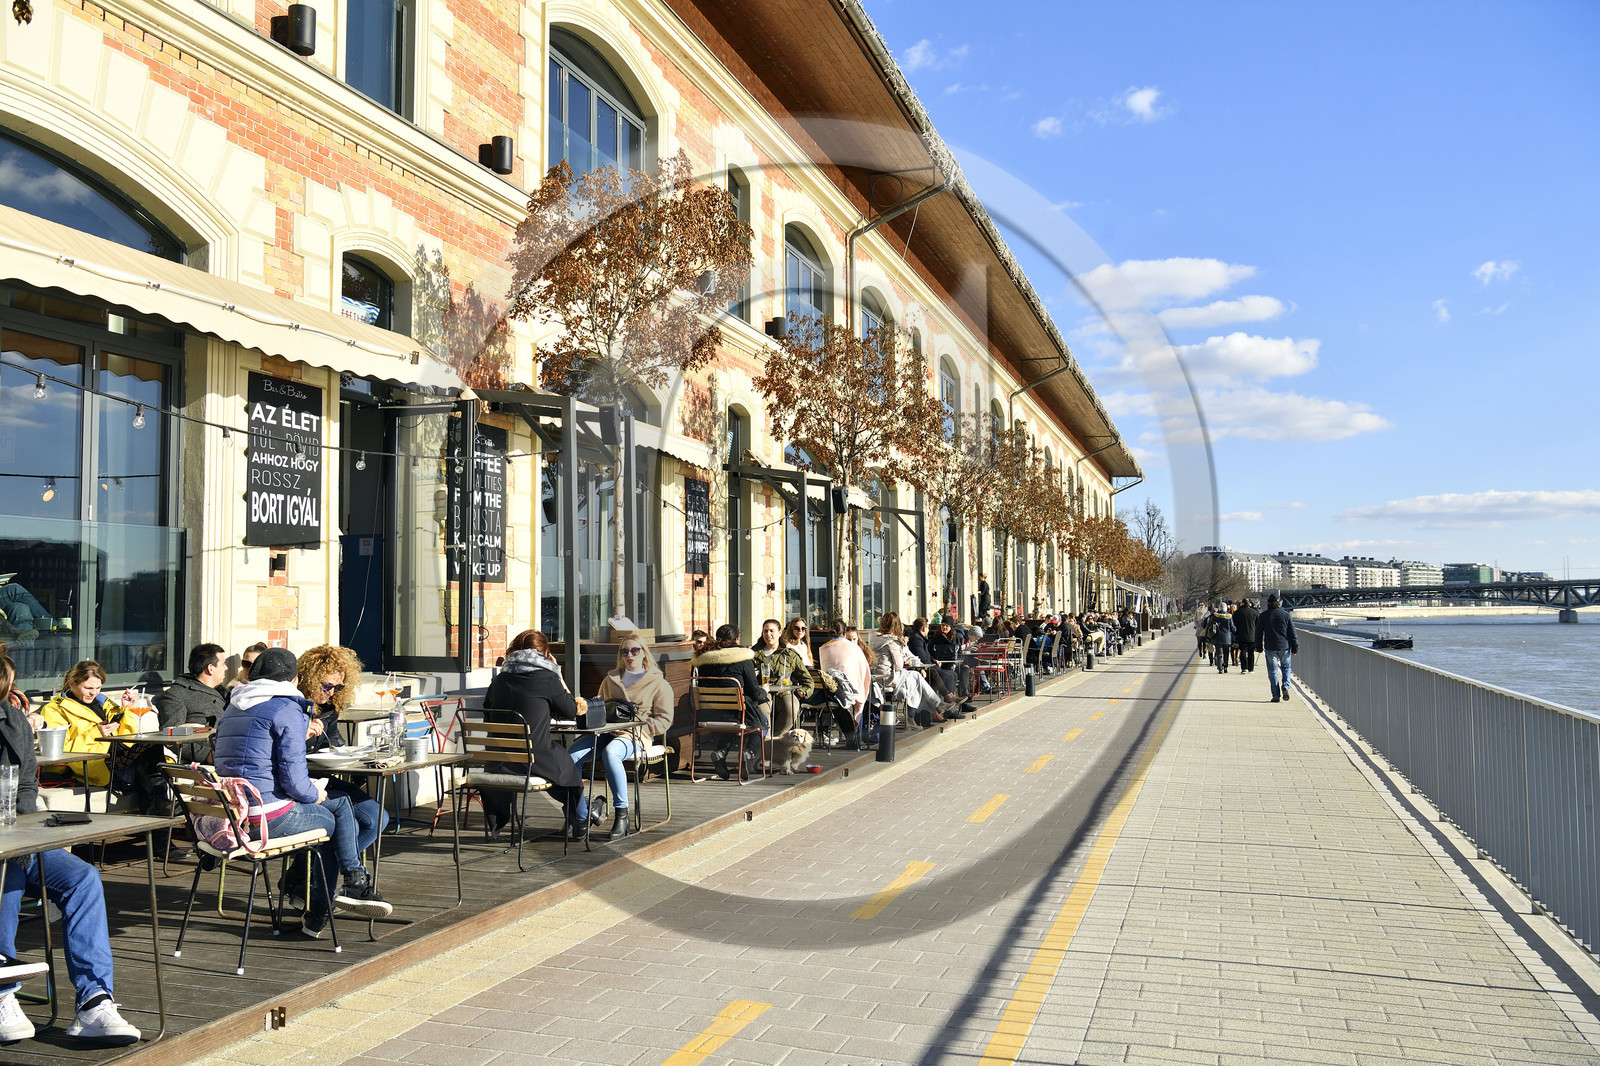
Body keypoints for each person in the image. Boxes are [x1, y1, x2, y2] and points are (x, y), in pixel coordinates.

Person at [0, 648, 143, 1046]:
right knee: (6, 873)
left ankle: (94, 1002)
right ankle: (1, 992)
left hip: (15, 835)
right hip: (5, 852)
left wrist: (24, 831)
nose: (10, 690)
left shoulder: (10, 717)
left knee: (82, 877)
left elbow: (27, 781)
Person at [213, 647, 392, 937]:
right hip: (267, 817)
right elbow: (296, 783)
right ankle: (335, 900)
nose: (333, 691)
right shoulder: (287, 708)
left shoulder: (233, 707)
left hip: (235, 815)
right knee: (337, 813)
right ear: (296, 679)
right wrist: (316, 795)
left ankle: (334, 890)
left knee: (350, 812)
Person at [281, 646, 387, 906]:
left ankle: (300, 874)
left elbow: (334, 744)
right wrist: (303, 732)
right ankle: (325, 884)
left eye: (337, 688)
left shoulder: (328, 708)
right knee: (343, 820)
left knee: (377, 817)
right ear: (308, 676)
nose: (330, 693)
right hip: (298, 783)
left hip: (324, 778)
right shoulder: (288, 706)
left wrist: (348, 752)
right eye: (327, 686)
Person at [479, 630, 586, 836]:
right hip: (532, 759)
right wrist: (557, 673)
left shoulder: (499, 680)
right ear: (545, 653)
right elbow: (572, 711)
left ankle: (585, 813)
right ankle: (582, 819)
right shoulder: (547, 678)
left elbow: (488, 717)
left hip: (498, 762)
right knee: (566, 770)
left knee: (555, 770)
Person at [583, 636, 673, 840]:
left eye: (634, 650)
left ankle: (622, 815)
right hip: (606, 731)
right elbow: (600, 705)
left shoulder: (658, 683)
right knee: (571, 755)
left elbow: (664, 720)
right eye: (624, 652)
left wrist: (642, 728)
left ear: (644, 652)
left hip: (636, 734)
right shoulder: (611, 679)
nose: (629, 655)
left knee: (611, 752)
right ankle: (581, 812)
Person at [39, 661, 150, 791]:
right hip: (92, 762)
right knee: (149, 751)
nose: (94, 693)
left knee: (150, 747)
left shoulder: (105, 703)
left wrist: (126, 710)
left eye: (98, 688)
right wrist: (96, 733)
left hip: (116, 756)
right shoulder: (55, 710)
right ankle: (157, 802)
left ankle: (156, 801)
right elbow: (59, 750)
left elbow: (127, 737)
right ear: (72, 684)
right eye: (88, 688)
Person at [690, 625, 771, 778]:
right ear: (736, 640)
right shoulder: (743, 659)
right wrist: (764, 691)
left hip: (710, 715)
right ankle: (749, 753)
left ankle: (720, 753)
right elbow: (754, 693)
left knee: (732, 721)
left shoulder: (704, 661)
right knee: (763, 723)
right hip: (737, 713)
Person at [869, 613, 961, 726]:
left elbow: (908, 656)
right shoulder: (892, 641)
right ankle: (936, 705)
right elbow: (898, 665)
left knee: (916, 678)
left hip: (878, 676)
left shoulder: (875, 638)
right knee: (916, 678)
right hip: (889, 677)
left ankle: (937, 705)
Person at [154, 642, 226, 765]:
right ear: (210, 668)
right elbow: (170, 737)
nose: (226, 668)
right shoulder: (177, 695)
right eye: (223, 664)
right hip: (205, 764)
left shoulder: (226, 693)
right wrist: (207, 755)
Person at [752, 619, 813, 735]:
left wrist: (803, 691)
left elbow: (807, 680)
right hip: (762, 692)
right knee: (762, 709)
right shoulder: (753, 653)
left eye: (771, 631)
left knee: (791, 707)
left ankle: (778, 737)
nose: (768, 634)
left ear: (779, 633)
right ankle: (766, 740)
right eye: (765, 631)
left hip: (785, 691)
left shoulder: (789, 654)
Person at [817, 622, 870, 747]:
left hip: (828, 691)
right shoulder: (853, 647)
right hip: (848, 691)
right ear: (844, 633)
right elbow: (864, 669)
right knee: (860, 696)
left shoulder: (823, 648)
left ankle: (851, 737)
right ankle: (857, 736)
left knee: (840, 699)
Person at [1256, 595, 1299, 702]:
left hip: (1270, 646)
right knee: (1286, 668)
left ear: (1268, 603)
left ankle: (1276, 695)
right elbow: (1293, 633)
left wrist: (1259, 647)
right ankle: (1285, 686)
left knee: (1272, 671)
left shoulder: (1263, 615)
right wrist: (1295, 648)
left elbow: (1258, 633)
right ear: (1279, 602)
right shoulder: (1286, 615)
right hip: (1284, 646)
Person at [1233, 598, 1259, 674]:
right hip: (1252, 635)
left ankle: (1244, 668)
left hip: (1241, 635)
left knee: (1243, 651)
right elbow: (1257, 624)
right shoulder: (1254, 612)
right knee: (1251, 652)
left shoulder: (1238, 612)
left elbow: (1234, 624)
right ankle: (1251, 668)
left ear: (1243, 603)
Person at [1210, 604, 1235, 673]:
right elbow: (1232, 628)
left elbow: (1210, 625)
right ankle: (1225, 667)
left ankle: (1220, 668)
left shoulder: (1215, 616)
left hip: (1217, 637)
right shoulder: (1229, 617)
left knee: (1218, 653)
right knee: (1226, 653)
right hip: (1227, 637)